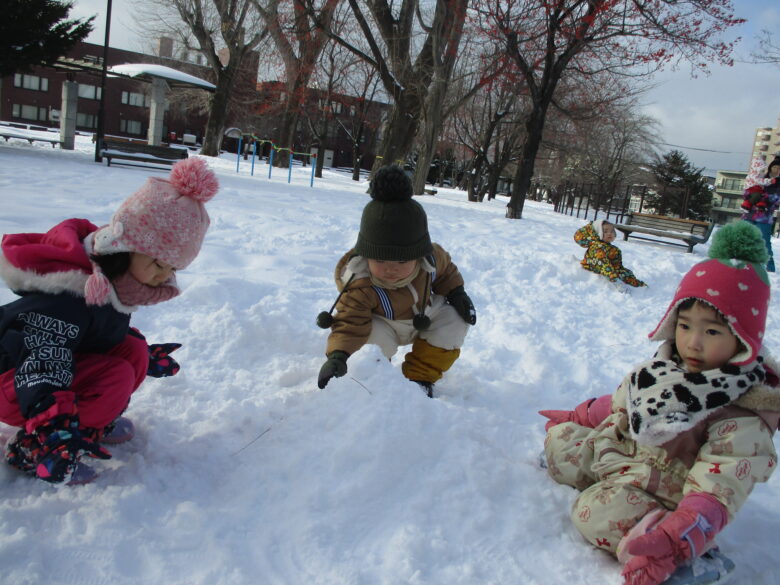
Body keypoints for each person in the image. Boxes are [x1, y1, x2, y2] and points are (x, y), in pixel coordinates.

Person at [540, 221, 780, 585]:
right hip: (625, 456)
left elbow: (720, 482)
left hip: (669, 496)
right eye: (685, 326)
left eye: (712, 331)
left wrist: (684, 529)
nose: (693, 342)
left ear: (743, 338)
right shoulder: (664, 368)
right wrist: (580, 415)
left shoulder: (741, 411)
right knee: (561, 441)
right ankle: (601, 479)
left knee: (593, 512)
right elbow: (622, 403)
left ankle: (682, 553)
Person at [0, 157, 219, 485]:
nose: (164, 276)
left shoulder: (113, 281)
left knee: (133, 349)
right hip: (18, 379)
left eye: (173, 269)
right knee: (115, 375)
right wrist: (52, 422)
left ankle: (91, 422)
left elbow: (94, 332)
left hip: (42, 371)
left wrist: (145, 355)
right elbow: (43, 358)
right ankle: (37, 445)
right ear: (127, 246)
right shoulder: (70, 295)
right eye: (159, 263)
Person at [316, 164, 476, 397]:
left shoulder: (430, 260)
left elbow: (447, 272)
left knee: (453, 320)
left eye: (401, 261)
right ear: (367, 253)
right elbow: (349, 325)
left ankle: (420, 377)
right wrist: (339, 356)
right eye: (380, 260)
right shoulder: (360, 284)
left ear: (418, 254)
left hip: (424, 315)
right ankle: (376, 378)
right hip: (383, 326)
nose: (391, 269)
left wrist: (457, 292)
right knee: (370, 344)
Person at [574, 219, 646, 287]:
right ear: (598, 233)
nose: (609, 234)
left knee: (626, 273)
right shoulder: (597, 248)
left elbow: (617, 264)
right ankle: (620, 283)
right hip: (598, 268)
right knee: (619, 275)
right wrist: (612, 275)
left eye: (612, 231)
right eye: (605, 231)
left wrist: (623, 272)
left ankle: (636, 284)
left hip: (611, 269)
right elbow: (602, 262)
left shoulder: (612, 248)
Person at [740, 156, 780, 271]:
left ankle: (770, 267)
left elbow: (775, 199)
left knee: (764, 242)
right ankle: (743, 263)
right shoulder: (761, 177)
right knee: (745, 238)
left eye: (779, 168)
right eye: (775, 167)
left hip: (764, 218)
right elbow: (747, 192)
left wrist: (759, 198)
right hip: (749, 214)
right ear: (771, 167)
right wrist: (750, 195)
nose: (777, 170)